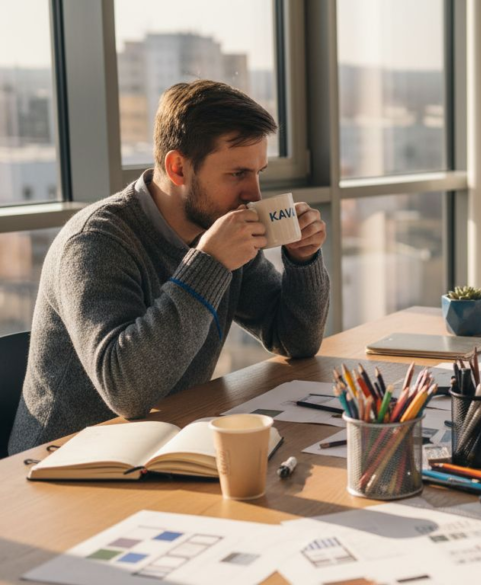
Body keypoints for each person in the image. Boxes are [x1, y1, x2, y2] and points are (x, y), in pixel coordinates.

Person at [9, 80, 330, 454]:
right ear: (178, 167)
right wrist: (209, 264)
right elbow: (127, 392)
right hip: (62, 466)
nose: (254, 195)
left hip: (161, 448)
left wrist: (302, 261)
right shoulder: (95, 242)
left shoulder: (218, 228)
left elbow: (295, 341)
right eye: (237, 174)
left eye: (259, 172)